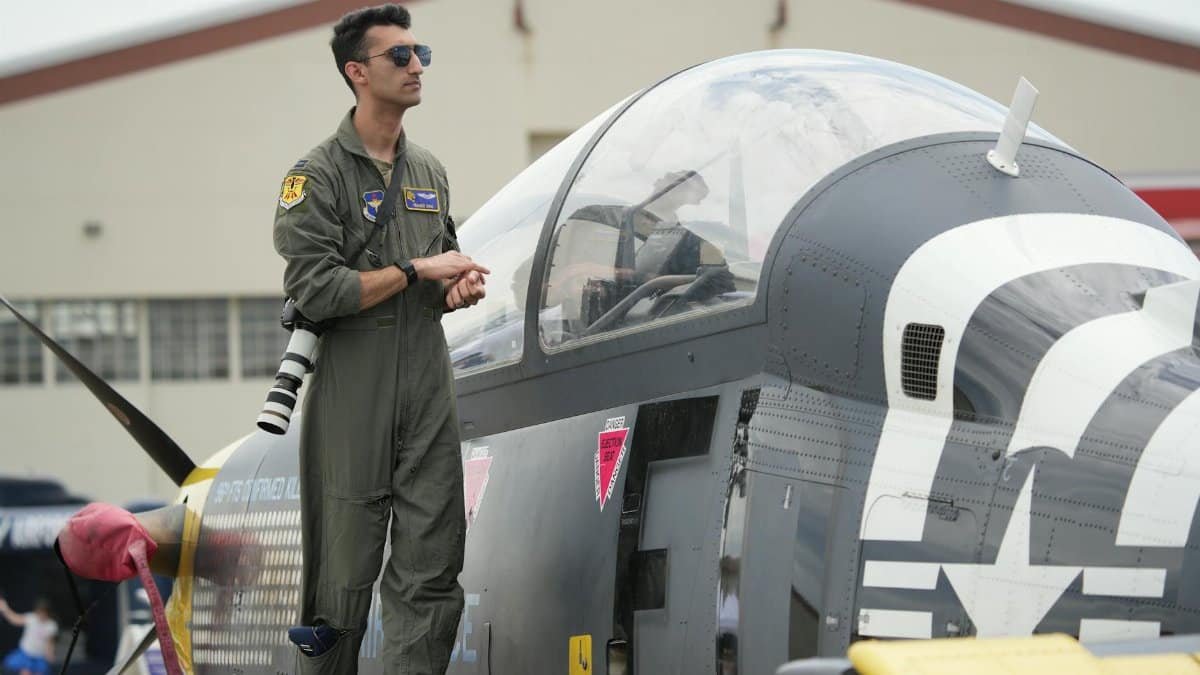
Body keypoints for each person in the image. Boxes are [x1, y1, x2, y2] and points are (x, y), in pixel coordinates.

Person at [271, 5, 488, 673]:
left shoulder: (428, 171)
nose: (417, 64)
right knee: (342, 580)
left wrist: (455, 288)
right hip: (351, 387)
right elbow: (317, 290)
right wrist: (418, 270)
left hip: (426, 383)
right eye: (400, 55)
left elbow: (439, 266)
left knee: (431, 568)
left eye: (419, 51)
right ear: (357, 72)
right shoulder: (316, 177)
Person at [0, 597, 56, 675]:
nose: (42, 614)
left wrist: (50, 654)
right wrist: (5, 608)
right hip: (25, 654)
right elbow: (15, 619)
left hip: (39, 657)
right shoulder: (31, 618)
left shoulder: (51, 625)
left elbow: (50, 642)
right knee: (25, 673)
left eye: (44, 611)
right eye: (40, 611)